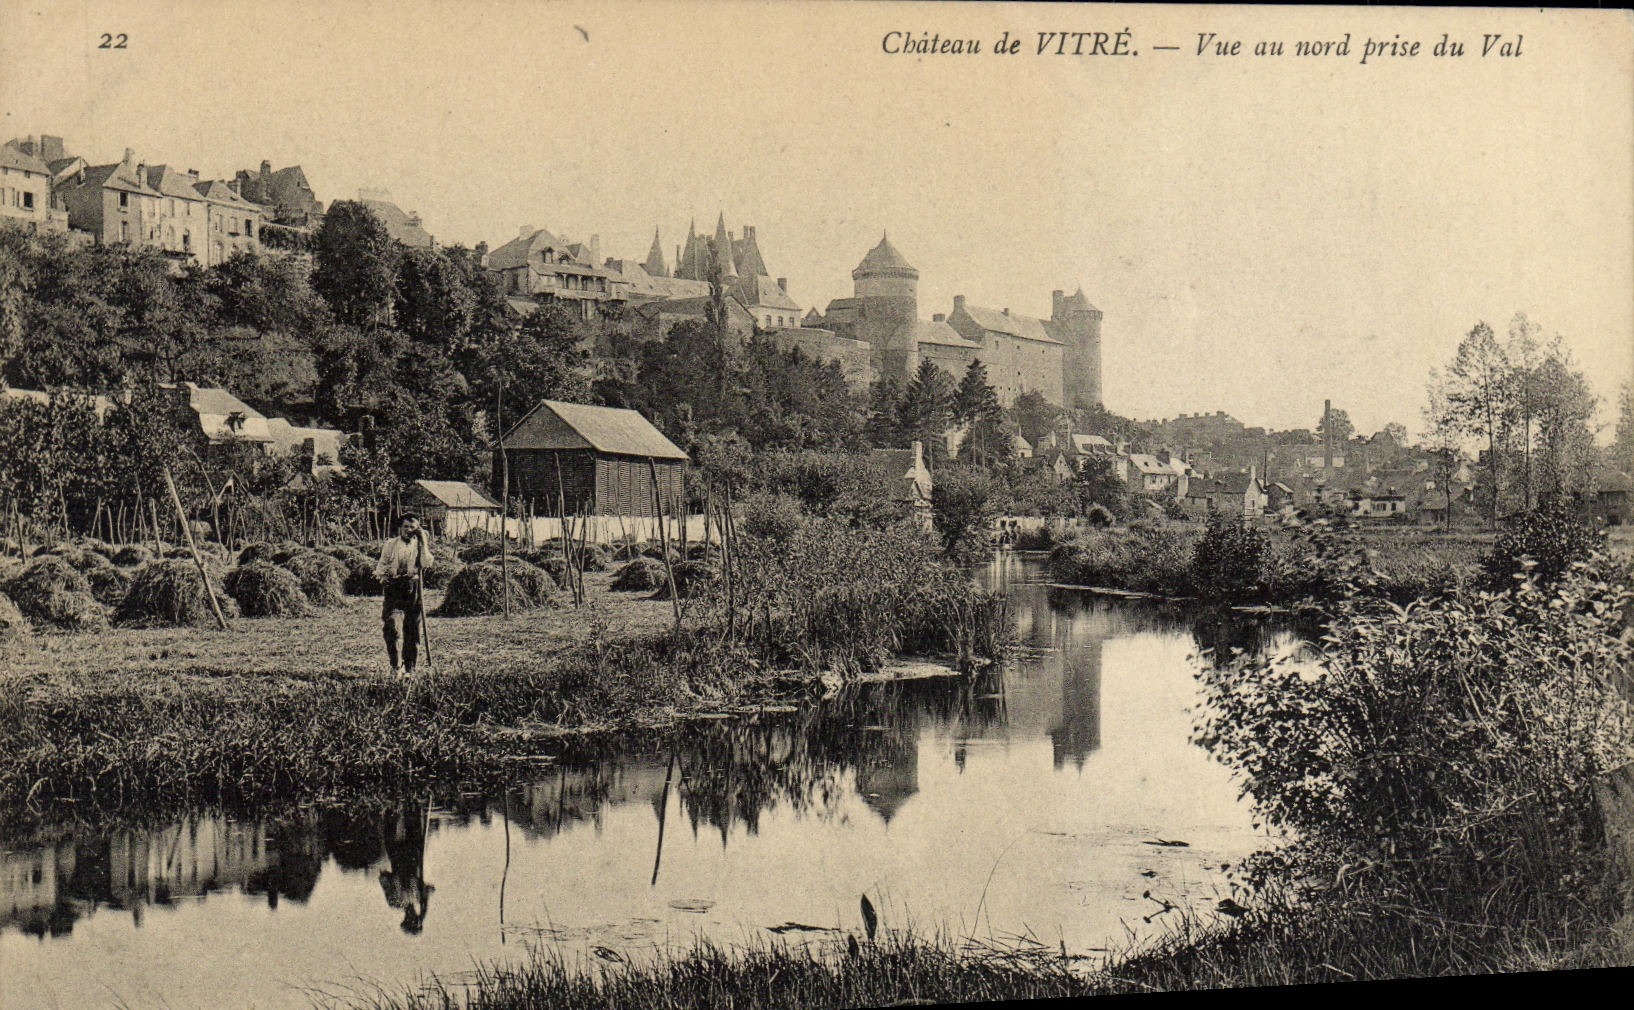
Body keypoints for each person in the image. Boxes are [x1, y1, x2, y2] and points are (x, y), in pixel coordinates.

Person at [375, 514, 434, 675]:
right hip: (394, 589)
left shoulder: (419, 546)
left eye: (413, 527)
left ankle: (410, 669)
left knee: (413, 630)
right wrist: (384, 578)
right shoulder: (391, 545)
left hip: (413, 589)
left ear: (418, 530)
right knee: (392, 626)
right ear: (400, 528)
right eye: (406, 527)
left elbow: (427, 563)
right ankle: (396, 666)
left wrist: (424, 542)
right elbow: (382, 565)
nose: (409, 530)